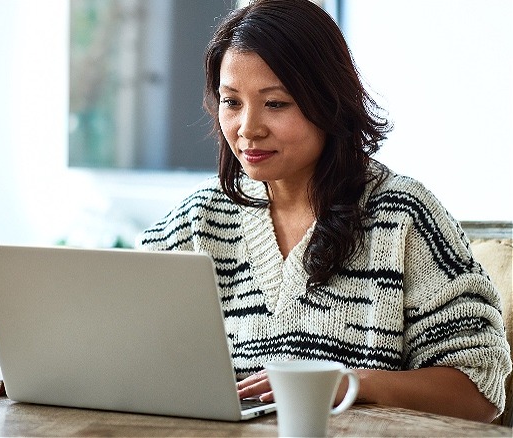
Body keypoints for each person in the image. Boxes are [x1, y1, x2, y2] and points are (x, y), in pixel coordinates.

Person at [137, 0, 510, 423]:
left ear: (329, 101)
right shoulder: (196, 220)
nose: (247, 128)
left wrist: (348, 384)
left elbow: (479, 391)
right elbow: (122, 350)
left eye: (276, 103)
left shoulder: (404, 215)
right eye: (231, 101)